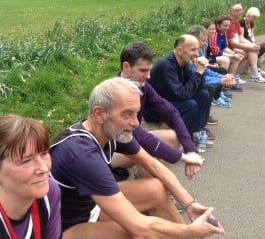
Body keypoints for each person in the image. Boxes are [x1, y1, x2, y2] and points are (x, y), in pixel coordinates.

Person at [50, 77, 225, 239]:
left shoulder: (108, 130)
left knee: (155, 188)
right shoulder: (82, 154)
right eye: (127, 114)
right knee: (135, 233)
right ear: (99, 114)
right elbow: (140, 229)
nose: (135, 123)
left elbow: (154, 166)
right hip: (63, 228)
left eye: (136, 113)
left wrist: (189, 205)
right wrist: (189, 232)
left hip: (90, 207)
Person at [112, 41, 203, 179]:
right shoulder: (115, 94)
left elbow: (171, 113)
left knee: (173, 137)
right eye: (143, 71)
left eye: (149, 70)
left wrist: (190, 150)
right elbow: (138, 136)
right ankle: (155, 191)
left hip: (128, 142)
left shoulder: (141, 86)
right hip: (107, 152)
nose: (148, 76)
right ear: (126, 67)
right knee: (150, 150)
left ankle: (152, 188)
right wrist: (182, 157)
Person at [146, 34, 212, 142]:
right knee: (190, 105)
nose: (197, 54)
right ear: (180, 50)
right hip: (153, 109)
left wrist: (200, 70)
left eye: (198, 49)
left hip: (168, 100)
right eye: (193, 50)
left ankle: (194, 132)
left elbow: (198, 88)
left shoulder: (182, 63)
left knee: (204, 95)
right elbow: (181, 94)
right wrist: (198, 73)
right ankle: (183, 140)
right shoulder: (165, 65)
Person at [187, 25, 236, 108]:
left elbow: (205, 71)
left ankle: (216, 97)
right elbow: (198, 77)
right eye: (203, 40)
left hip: (189, 84)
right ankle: (215, 98)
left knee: (219, 73)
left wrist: (223, 77)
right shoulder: (188, 55)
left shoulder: (194, 53)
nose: (206, 43)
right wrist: (221, 80)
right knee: (208, 88)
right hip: (182, 90)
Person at [227, 3, 265, 83]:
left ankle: (252, 74)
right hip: (229, 48)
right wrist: (250, 47)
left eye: (241, 10)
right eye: (238, 10)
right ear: (232, 12)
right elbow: (232, 43)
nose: (241, 12)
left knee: (253, 50)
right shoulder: (229, 23)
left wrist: (253, 45)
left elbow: (241, 38)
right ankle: (237, 75)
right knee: (248, 51)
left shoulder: (236, 23)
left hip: (235, 46)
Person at [207, 15, 244, 91]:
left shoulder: (223, 32)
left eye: (228, 26)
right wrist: (233, 56)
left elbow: (225, 48)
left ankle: (230, 81)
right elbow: (215, 51)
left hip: (215, 56)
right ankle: (221, 85)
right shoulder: (214, 33)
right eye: (225, 25)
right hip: (209, 56)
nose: (227, 28)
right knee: (225, 60)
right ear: (218, 25)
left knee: (236, 58)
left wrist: (234, 55)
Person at [239, 6, 265, 76]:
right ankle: (256, 69)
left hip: (249, 40)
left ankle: (255, 68)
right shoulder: (241, 22)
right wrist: (252, 44)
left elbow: (252, 35)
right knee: (256, 48)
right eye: (254, 17)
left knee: (262, 46)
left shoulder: (251, 23)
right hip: (243, 41)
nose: (254, 19)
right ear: (248, 15)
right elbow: (241, 37)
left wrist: (254, 42)